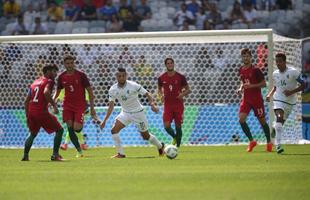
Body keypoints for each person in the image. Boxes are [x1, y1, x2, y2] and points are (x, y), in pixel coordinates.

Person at [99, 67, 165, 158]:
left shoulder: (133, 85)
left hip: (138, 113)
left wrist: (152, 104)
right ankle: (121, 153)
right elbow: (111, 106)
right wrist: (104, 120)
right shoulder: (113, 89)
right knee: (114, 130)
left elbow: (147, 94)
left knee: (145, 136)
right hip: (125, 113)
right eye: (119, 76)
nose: (121, 78)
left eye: (123, 76)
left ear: (126, 76)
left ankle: (160, 146)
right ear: (116, 77)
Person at [53, 54, 96, 157]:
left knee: (77, 128)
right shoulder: (61, 77)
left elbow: (90, 91)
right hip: (67, 105)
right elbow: (57, 91)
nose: (70, 65)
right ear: (64, 64)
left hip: (80, 106)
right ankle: (79, 151)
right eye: (67, 63)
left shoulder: (81, 75)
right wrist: (53, 102)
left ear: (74, 63)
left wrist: (92, 107)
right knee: (69, 128)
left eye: (71, 63)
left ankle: (77, 145)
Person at [22, 64, 64, 161]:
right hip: (41, 111)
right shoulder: (49, 81)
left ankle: (25, 155)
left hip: (32, 111)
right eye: (54, 71)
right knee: (60, 130)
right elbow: (46, 92)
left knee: (32, 133)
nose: (55, 74)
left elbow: (26, 101)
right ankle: (55, 155)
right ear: (48, 71)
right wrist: (54, 105)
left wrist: (27, 115)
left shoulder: (35, 82)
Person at [266, 52, 305, 153]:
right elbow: (276, 87)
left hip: (290, 102)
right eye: (276, 61)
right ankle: (278, 145)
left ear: (285, 61)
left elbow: (304, 85)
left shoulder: (293, 72)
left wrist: (291, 92)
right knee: (279, 116)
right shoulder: (275, 73)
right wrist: (269, 95)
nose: (278, 63)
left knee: (280, 124)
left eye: (280, 61)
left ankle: (275, 127)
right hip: (278, 99)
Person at [237, 48, 272, 152]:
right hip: (246, 99)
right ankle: (252, 141)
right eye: (244, 56)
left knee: (262, 122)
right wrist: (240, 88)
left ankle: (269, 142)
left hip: (257, 100)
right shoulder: (241, 69)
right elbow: (243, 82)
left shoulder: (256, 70)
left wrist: (252, 86)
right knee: (241, 119)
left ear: (251, 57)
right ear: (242, 58)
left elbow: (264, 84)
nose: (246, 58)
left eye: (247, 56)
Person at [158, 58, 190, 148]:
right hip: (167, 105)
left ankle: (178, 147)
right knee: (166, 126)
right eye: (168, 63)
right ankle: (175, 137)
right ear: (165, 65)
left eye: (171, 63)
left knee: (178, 126)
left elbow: (188, 89)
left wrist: (182, 95)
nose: (170, 64)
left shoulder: (180, 77)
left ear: (174, 64)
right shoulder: (161, 78)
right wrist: (160, 96)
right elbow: (159, 89)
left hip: (178, 104)